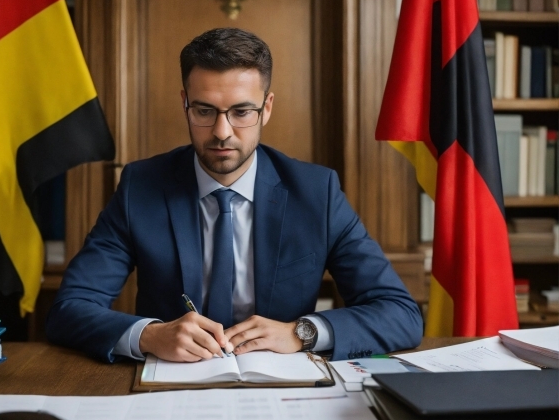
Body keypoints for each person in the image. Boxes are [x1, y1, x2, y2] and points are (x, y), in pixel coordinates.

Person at [47, 28, 423, 363]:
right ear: (185, 104)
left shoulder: (316, 193)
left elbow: (400, 313)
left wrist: (301, 332)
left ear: (267, 108)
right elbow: (70, 308)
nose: (222, 131)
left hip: (282, 392)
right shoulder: (141, 187)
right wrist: (149, 335)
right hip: (171, 388)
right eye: (205, 110)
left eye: (242, 111)